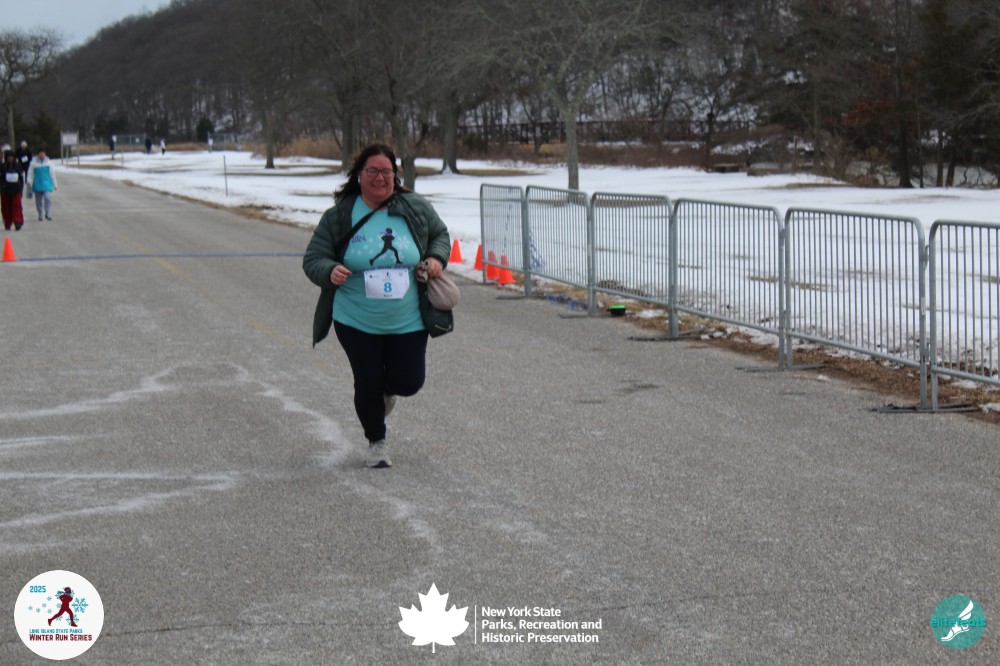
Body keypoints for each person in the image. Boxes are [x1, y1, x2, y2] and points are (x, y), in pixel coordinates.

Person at [302, 144, 451, 468]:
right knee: (367, 379)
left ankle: (385, 391)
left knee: (409, 381)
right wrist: (329, 270)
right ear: (359, 174)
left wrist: (436, 259)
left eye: (386, 172)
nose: (380, 178)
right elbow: (313, 258)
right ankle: (376, 442)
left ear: (395, 176)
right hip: (355, 318)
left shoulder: (414, 207)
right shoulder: (339, 215)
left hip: (408, 318)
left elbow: (440, 235)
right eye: (372, 171)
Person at [27, 149, 57, 221]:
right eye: (40, 153)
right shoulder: (33, 163)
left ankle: (47, 212)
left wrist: (55, 184)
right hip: (37, 184)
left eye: (43, 153)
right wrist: (29, 182)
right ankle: (40, 214)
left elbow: (52, 174)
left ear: (45, 154)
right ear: (38, 154)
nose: (42, 154)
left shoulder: (48, 163)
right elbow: (30, 173)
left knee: (47, 198)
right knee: (38, 201)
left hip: (47, 184)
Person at [1, 150, 25, 231]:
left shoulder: (18, 166)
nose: (10, 158)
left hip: (16, 189)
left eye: (11, 157)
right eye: (8, 157)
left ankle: (17, 222)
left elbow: (21, 178)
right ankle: (8, 223)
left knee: (17, 205)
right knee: (6, 207)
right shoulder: (3, 167)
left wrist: (21, 188)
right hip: (5, 190)